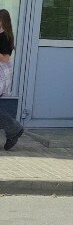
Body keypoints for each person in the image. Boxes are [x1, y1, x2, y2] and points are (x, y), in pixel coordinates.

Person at [0, 9, 24, 150]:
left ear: (3, 21)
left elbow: (5, 58)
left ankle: (14, 129)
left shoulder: (5, 36)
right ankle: (14, 130)